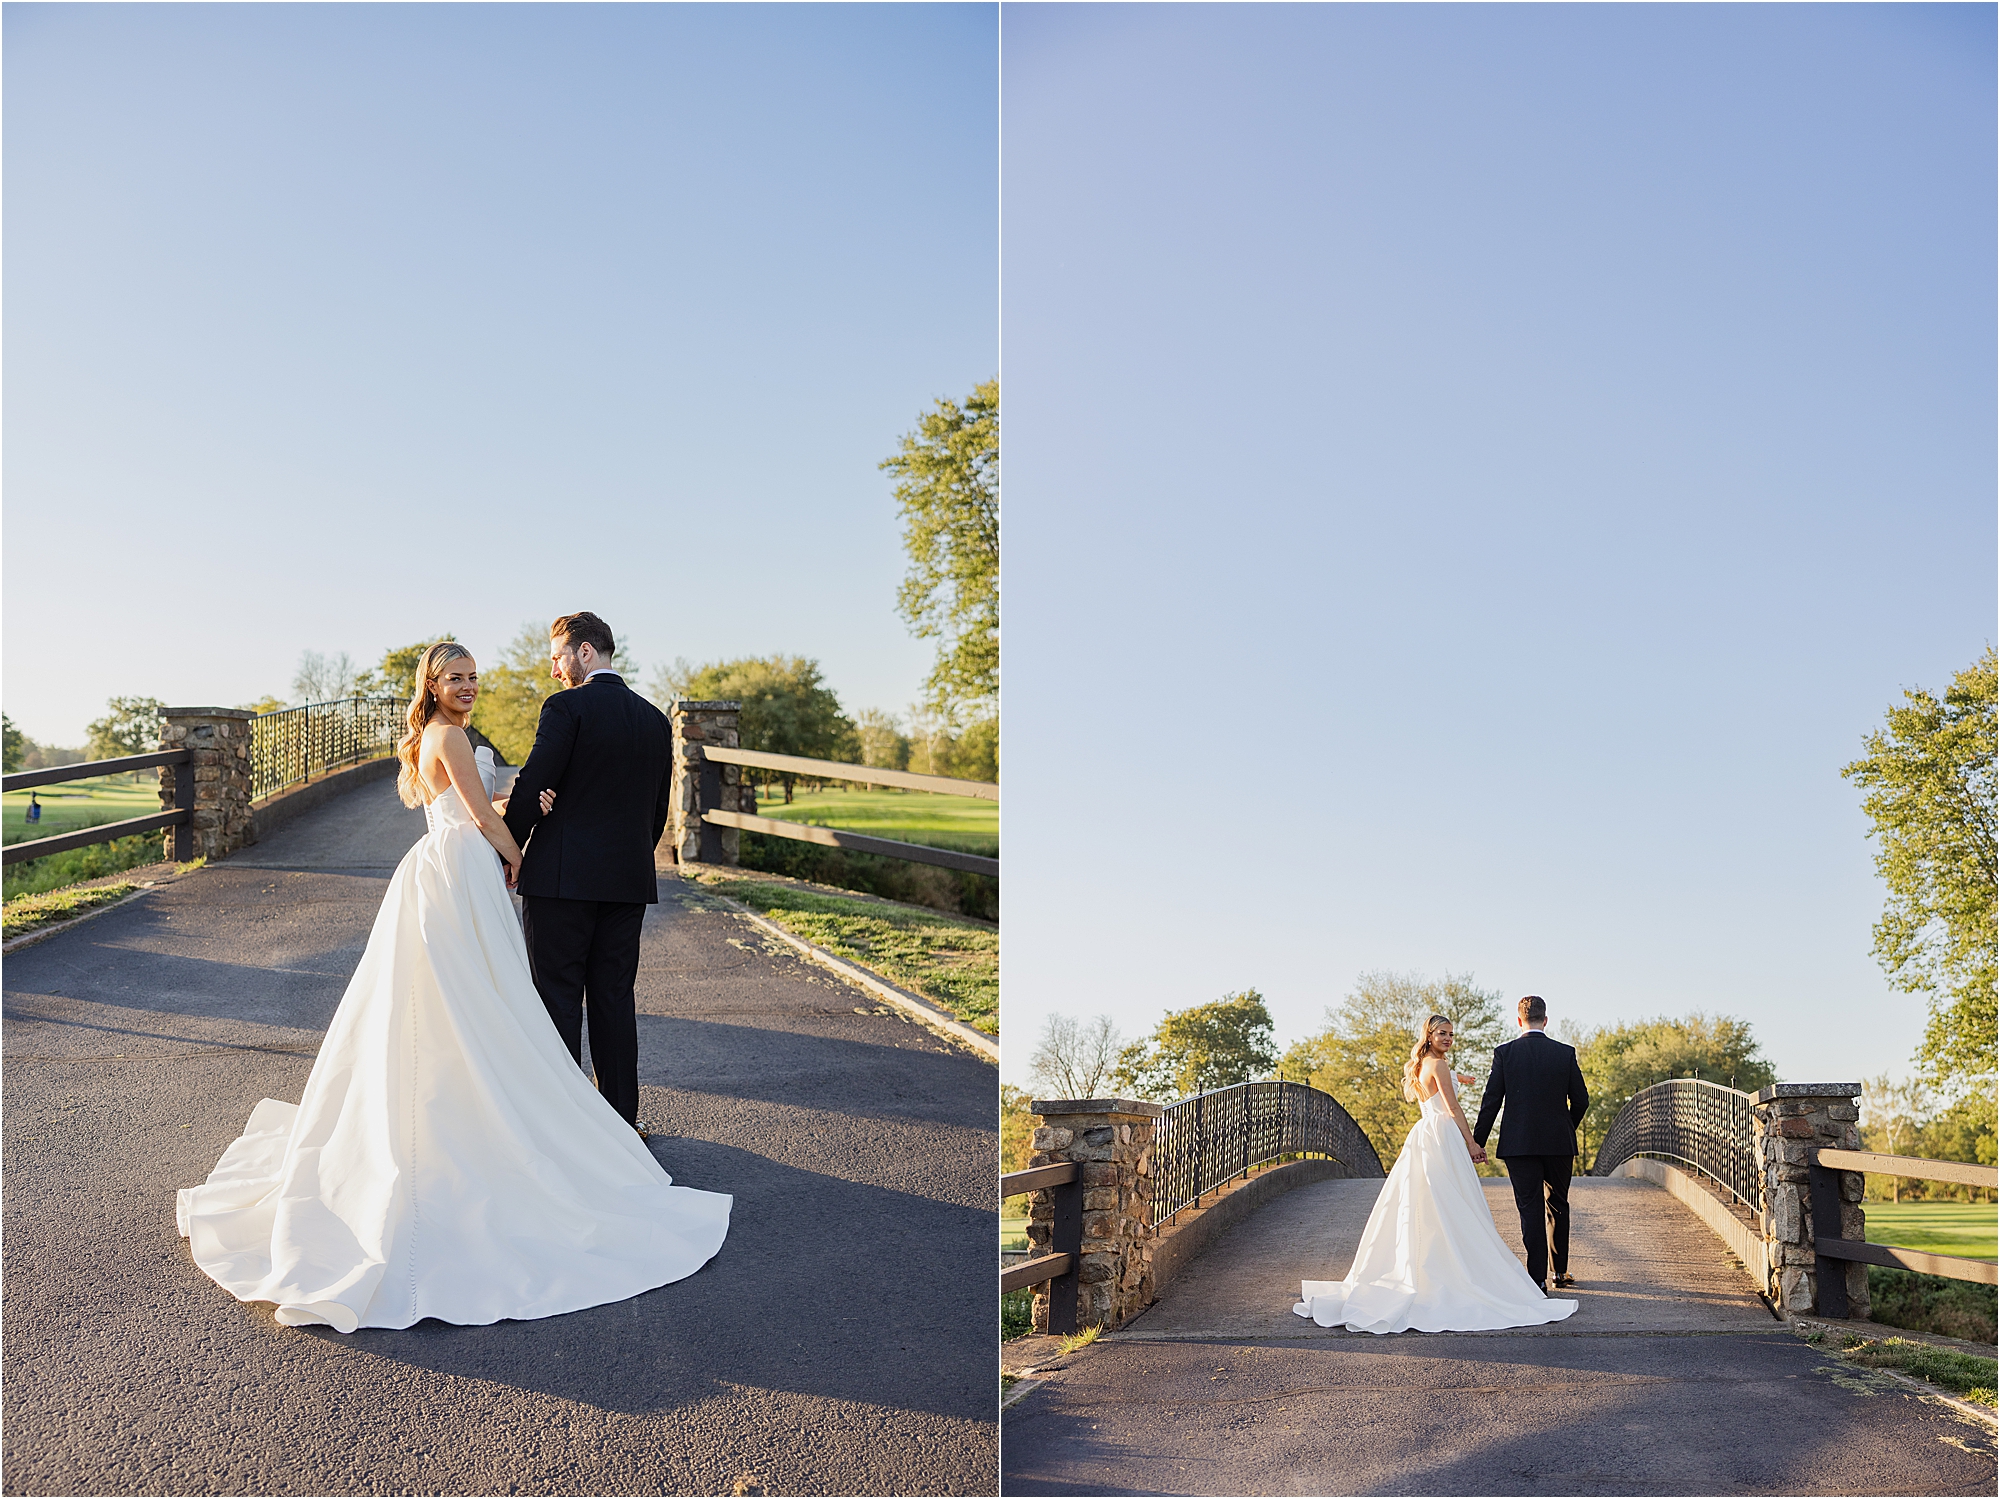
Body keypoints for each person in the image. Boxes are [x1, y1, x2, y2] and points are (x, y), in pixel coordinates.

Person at [176, 641, 730, 1332]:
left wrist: (511, 794)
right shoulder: (450, 734)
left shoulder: (447, 735)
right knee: (473, 1000)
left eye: (473, 677)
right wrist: (521, 852)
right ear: (432, 684)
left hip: (449, 867)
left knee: (468, 1002)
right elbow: (483, 814)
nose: (467, 687)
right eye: (456, 678)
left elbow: (473, 797)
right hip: (458, 871)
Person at [1292, 1014, 1578, 1333]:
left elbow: (1439, 1085)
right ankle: (1462, 1272)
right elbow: (1453, 1108)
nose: (1448, 1039)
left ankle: (1430, 1269)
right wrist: (1472, 1143)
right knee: (1455, 1205)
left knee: (1427, 1205)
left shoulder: (1422, 1064)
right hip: (1445, 1134)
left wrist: (1460, 1078)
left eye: (1451, 1034)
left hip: (1425, 1134)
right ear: (1429, 1034)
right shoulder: (1440, 1066)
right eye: (1442, 1033)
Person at [501, 611, 674, 1132]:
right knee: (614, 999)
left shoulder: (565, 707)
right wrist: (630, 859)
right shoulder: (654, 720)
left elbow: (534, 785)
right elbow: (656, 812)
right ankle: (621, 1126)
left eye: (557, 658)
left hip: (561, 882)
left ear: (583, 652)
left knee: (556, 997)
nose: (554, 670)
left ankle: (560, 1126)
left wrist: (507, 848)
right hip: (627, 882)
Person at [1472, 993, 1590, 1292]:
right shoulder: (1564, 1053)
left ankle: (1537, 1278)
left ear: (1518, 1020)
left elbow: (1491, 1102)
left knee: (1529, 1209)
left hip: (1519, 1144)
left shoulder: (1504, 1053)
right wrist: (1565, 1127)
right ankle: (1559, 1273)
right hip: (1558, 1144)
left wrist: (1477, 1143)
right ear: (1545, 1020)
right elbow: (1581, 1100)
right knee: (1558, 1205)